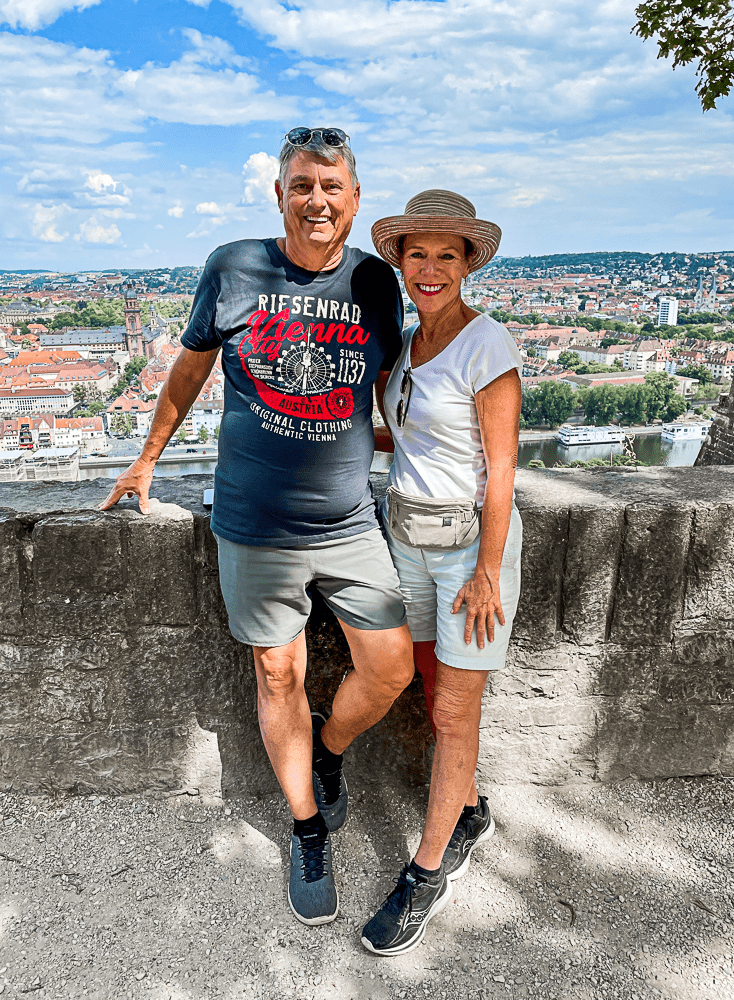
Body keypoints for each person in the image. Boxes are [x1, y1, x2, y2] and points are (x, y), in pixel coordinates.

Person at [100, 127, 415, 927]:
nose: (317, 201)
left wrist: (412, 445)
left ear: (353, 198)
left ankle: (330, 751)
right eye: (302, 185)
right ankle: (306, 826)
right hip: (253, 523)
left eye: (331, 187)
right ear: (280, 194)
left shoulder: (376, 282)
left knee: (389, 669)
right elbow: (191, 367)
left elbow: (381, 382)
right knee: (276, 674)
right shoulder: (233, 267)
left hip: (348, 520)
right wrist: (146, 459)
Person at [361, 190, 523, 955]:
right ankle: (472, 809)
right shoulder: (405, 341)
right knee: (430, 691)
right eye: (416, 254)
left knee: (456, 713)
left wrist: (488, 571)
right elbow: (414, 442)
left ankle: (427, 872)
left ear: (467, 265)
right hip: (406, 537)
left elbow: (500, 472)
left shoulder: (486, 344)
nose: (430, 269)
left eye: (445, 256)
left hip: (465, 550)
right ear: (400, 262)